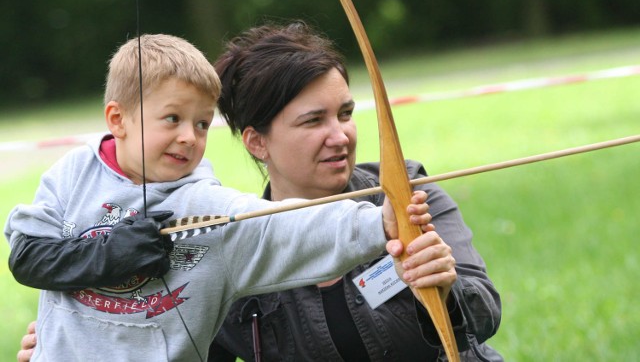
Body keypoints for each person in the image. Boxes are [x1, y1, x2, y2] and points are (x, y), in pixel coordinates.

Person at [5, 33, 433, 362]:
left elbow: (284, 227)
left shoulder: (206, 207)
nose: (188, 137)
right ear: (118, 119)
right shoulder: (72, 174)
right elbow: (27, 256)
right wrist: (108, 256)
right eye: (172, 118)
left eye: (203, 124)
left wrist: (380, 222)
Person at [205, 22, 503, 361]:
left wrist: (447, 292)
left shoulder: (408, 194)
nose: (341, 136)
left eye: (345, 114)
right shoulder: (238, 251)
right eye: (314, 121)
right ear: (258, 142)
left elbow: (485, 316)